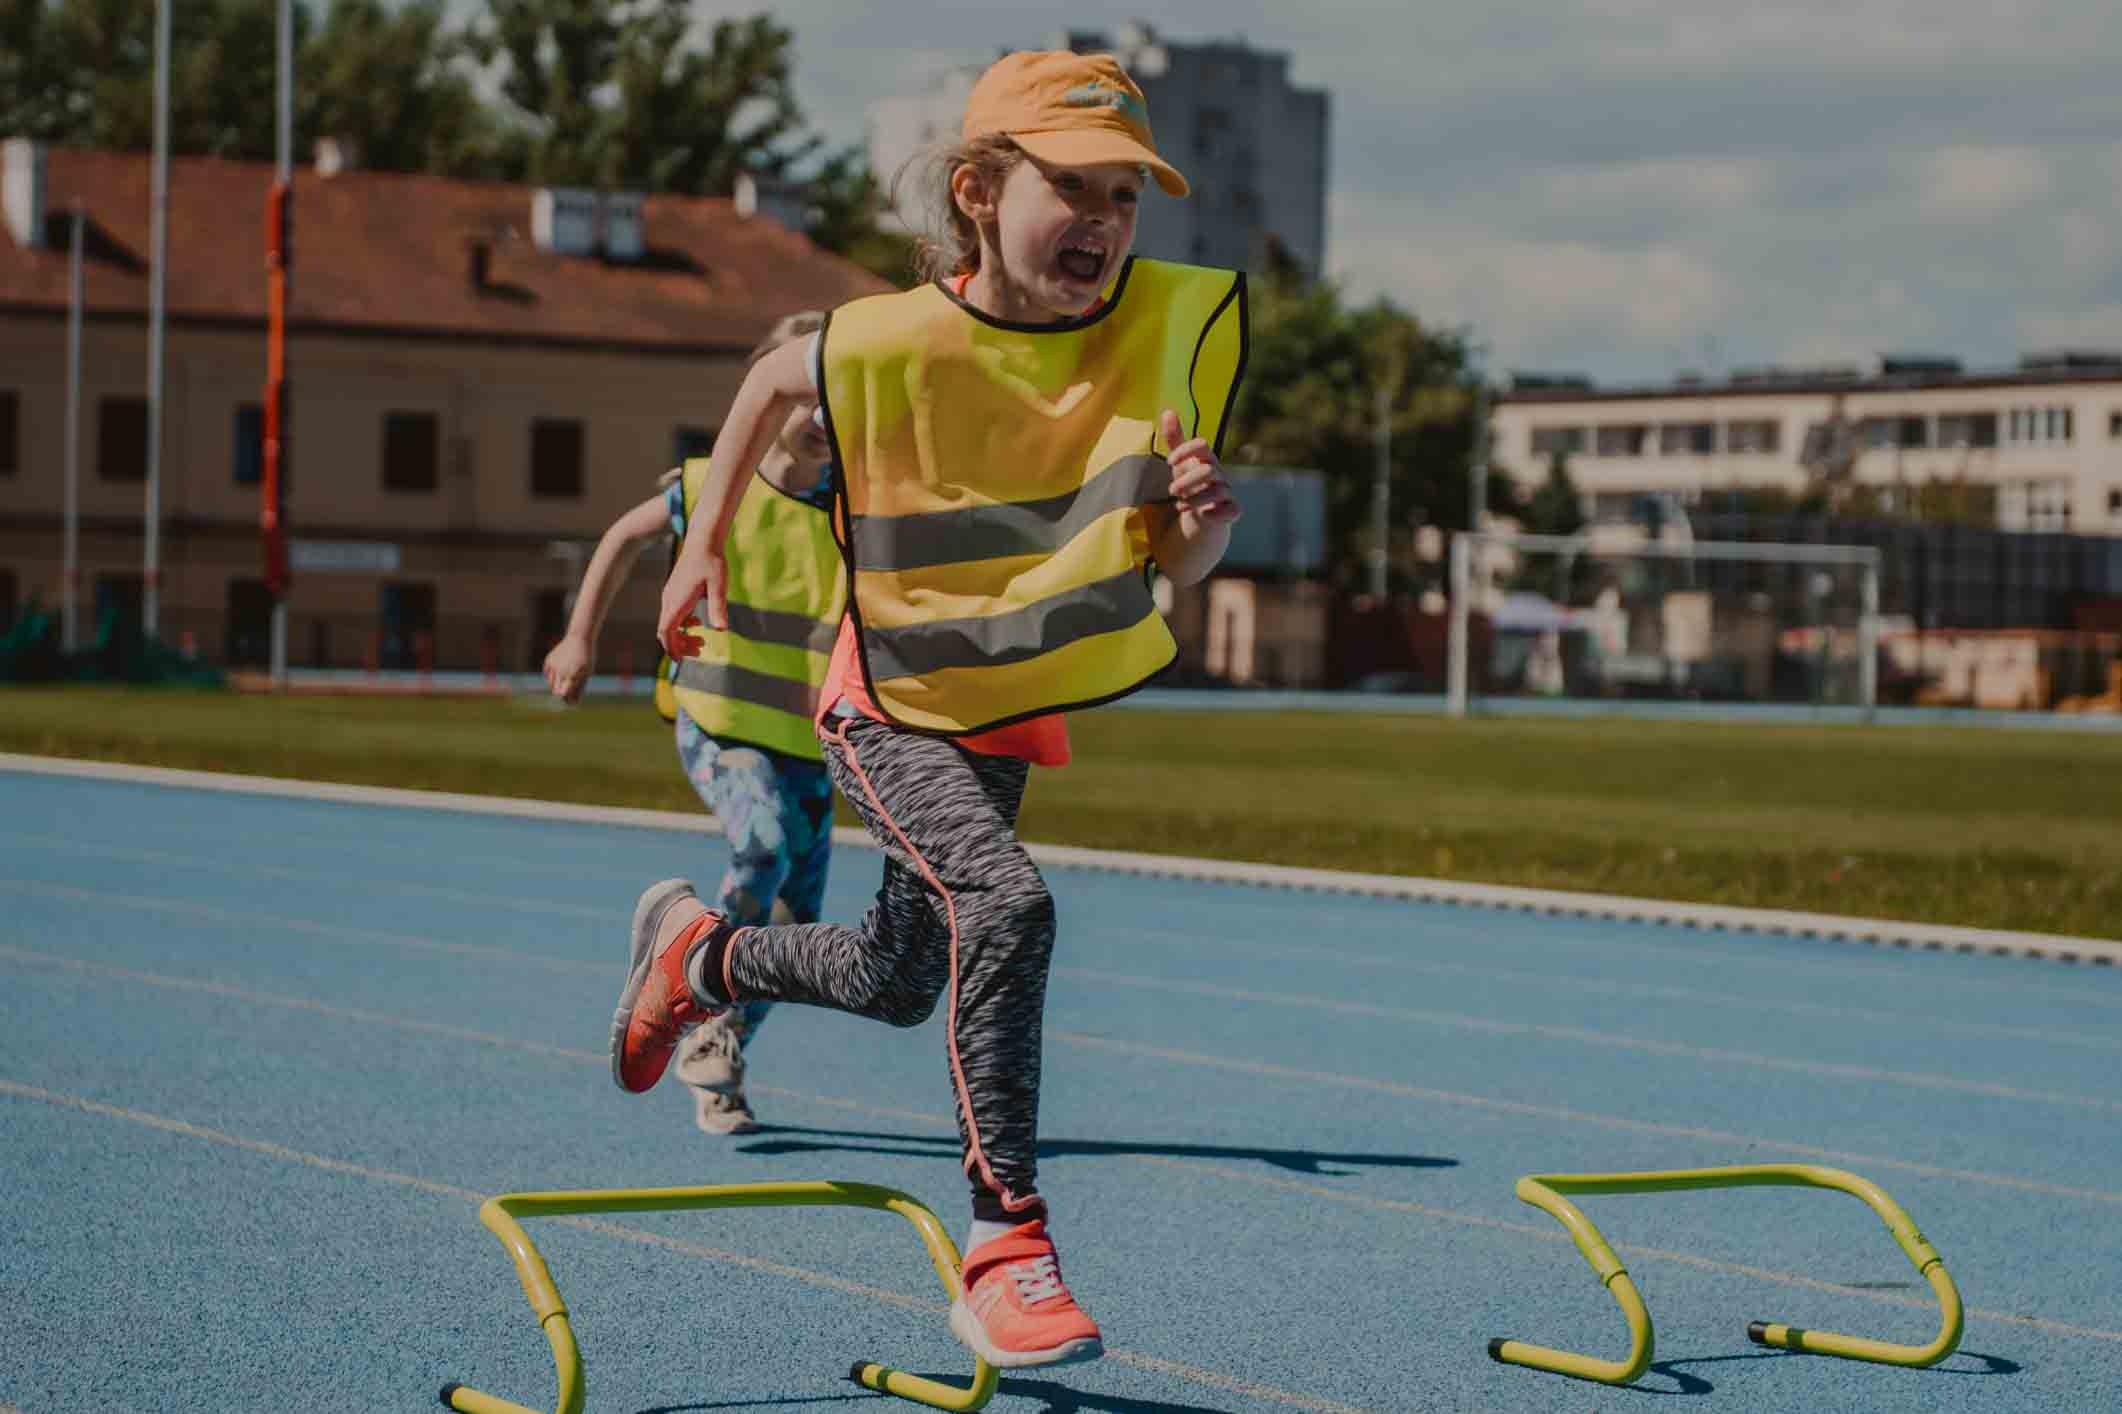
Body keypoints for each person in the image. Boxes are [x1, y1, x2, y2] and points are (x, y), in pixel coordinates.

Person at [607, 49, 1247, 1370]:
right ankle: (1005, 1240)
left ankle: (697, 958)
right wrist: (698, 543)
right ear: (977, 191)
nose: (1106, 223)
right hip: (886, 697)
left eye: (1126, 197)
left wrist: (1196, 535)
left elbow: (1164, 573)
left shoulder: (1133, 360)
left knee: (902, 978)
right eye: (1073, 186)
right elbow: (769, 386)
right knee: (1006, 902)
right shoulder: (890, 335)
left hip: (1006, 706)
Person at [545, 311, 844, 1136]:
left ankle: (716, 1045)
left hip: (805, 748)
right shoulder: (711, 487)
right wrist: (579, 635)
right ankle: (690, 988)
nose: (822, 418)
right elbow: (620, 538)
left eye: (840, 399)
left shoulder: (854, 515)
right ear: (766, 388)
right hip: (718, 723)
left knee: (797, 933)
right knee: (761, 847)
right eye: (808, 396)